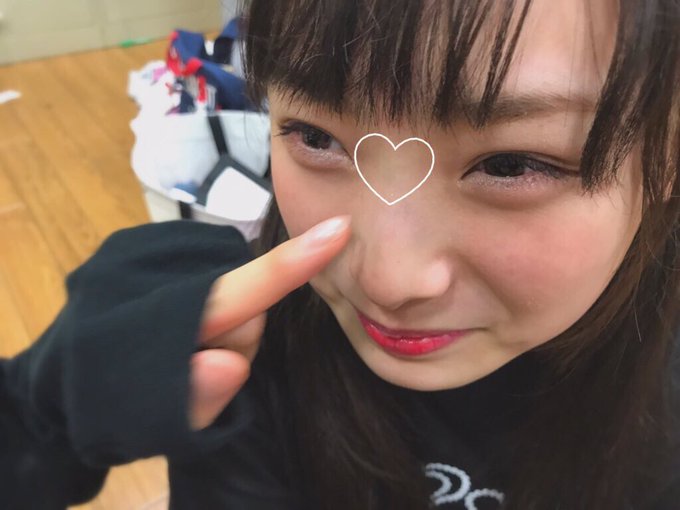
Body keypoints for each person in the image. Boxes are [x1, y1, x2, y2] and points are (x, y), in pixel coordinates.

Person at [1, 0, 679, 508]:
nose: (386, 281)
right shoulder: (241, 356)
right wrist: (38, 418)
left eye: (511, 164)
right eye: (316, 137)